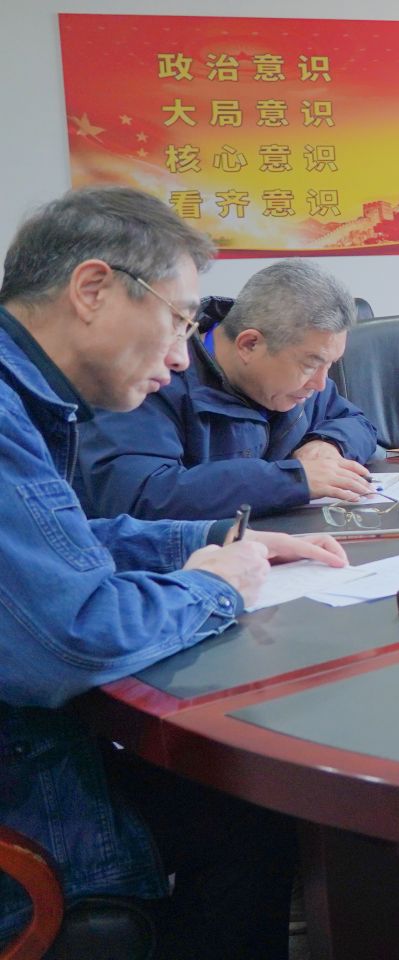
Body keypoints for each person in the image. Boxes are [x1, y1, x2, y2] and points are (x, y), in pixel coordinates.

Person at [0, 187, 348, 959]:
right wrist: (217, 586)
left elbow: (53, 542)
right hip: (26, 797)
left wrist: (210, 537)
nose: (184, 356)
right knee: (247, 815)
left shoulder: (23, 397)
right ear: (93, 289)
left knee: (246, 814)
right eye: (181, 320)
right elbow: (77, 636)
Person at [77, 260, 383, 519]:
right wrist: (292, 479)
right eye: (311, 364)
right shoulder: (149, 377)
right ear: (249, 344)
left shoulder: (299, 383)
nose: (320, 383)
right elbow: (141, 494)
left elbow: (358, 423)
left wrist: (328, 444)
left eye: (329, 365)